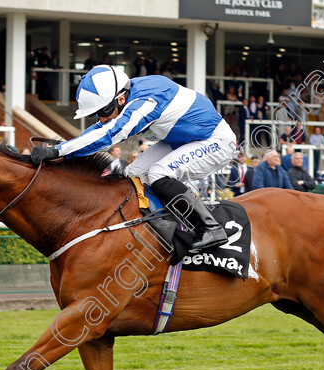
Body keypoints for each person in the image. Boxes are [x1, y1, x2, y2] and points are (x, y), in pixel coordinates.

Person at [30, 65, 236, 248]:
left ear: (120, 98)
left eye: (104, 110)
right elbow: (103, 127)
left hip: (215, 141)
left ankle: (210, 228)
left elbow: (111, 133)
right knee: (133, 173)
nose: (102, 117)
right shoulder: (125, 95)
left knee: (158, 173)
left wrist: (60, 150)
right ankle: (160, 226)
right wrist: (64, 147)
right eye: (97, 113)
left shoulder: (146, 101)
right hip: (182, 140)